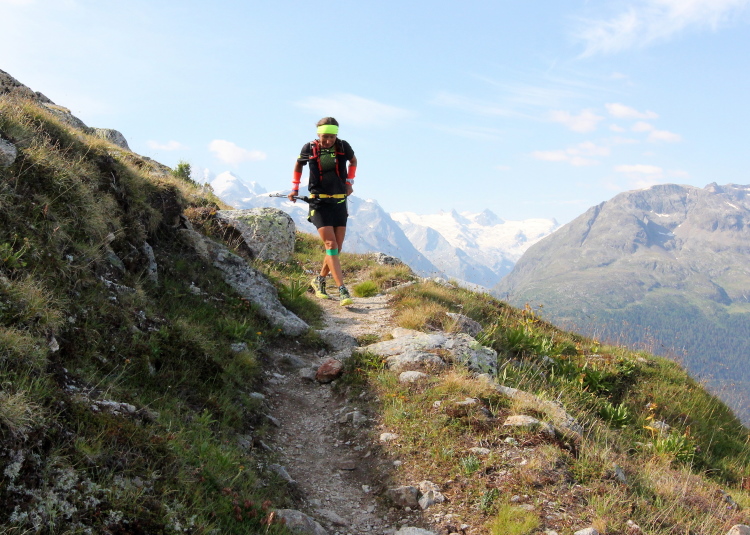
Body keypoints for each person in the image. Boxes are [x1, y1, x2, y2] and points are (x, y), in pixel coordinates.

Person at [288, 117, 357, 306]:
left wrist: (349, 182)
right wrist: (295, 188)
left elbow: (353, 161)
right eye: (325, 136)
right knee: (330, 244)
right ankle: (342, 289)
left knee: (336, 248)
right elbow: (298, 165)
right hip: (319, 203)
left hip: (339, 202)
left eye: (331, 137)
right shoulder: (309, 148)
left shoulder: (343, 146)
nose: (328, 140)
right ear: (318, 134)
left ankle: (319, 280)